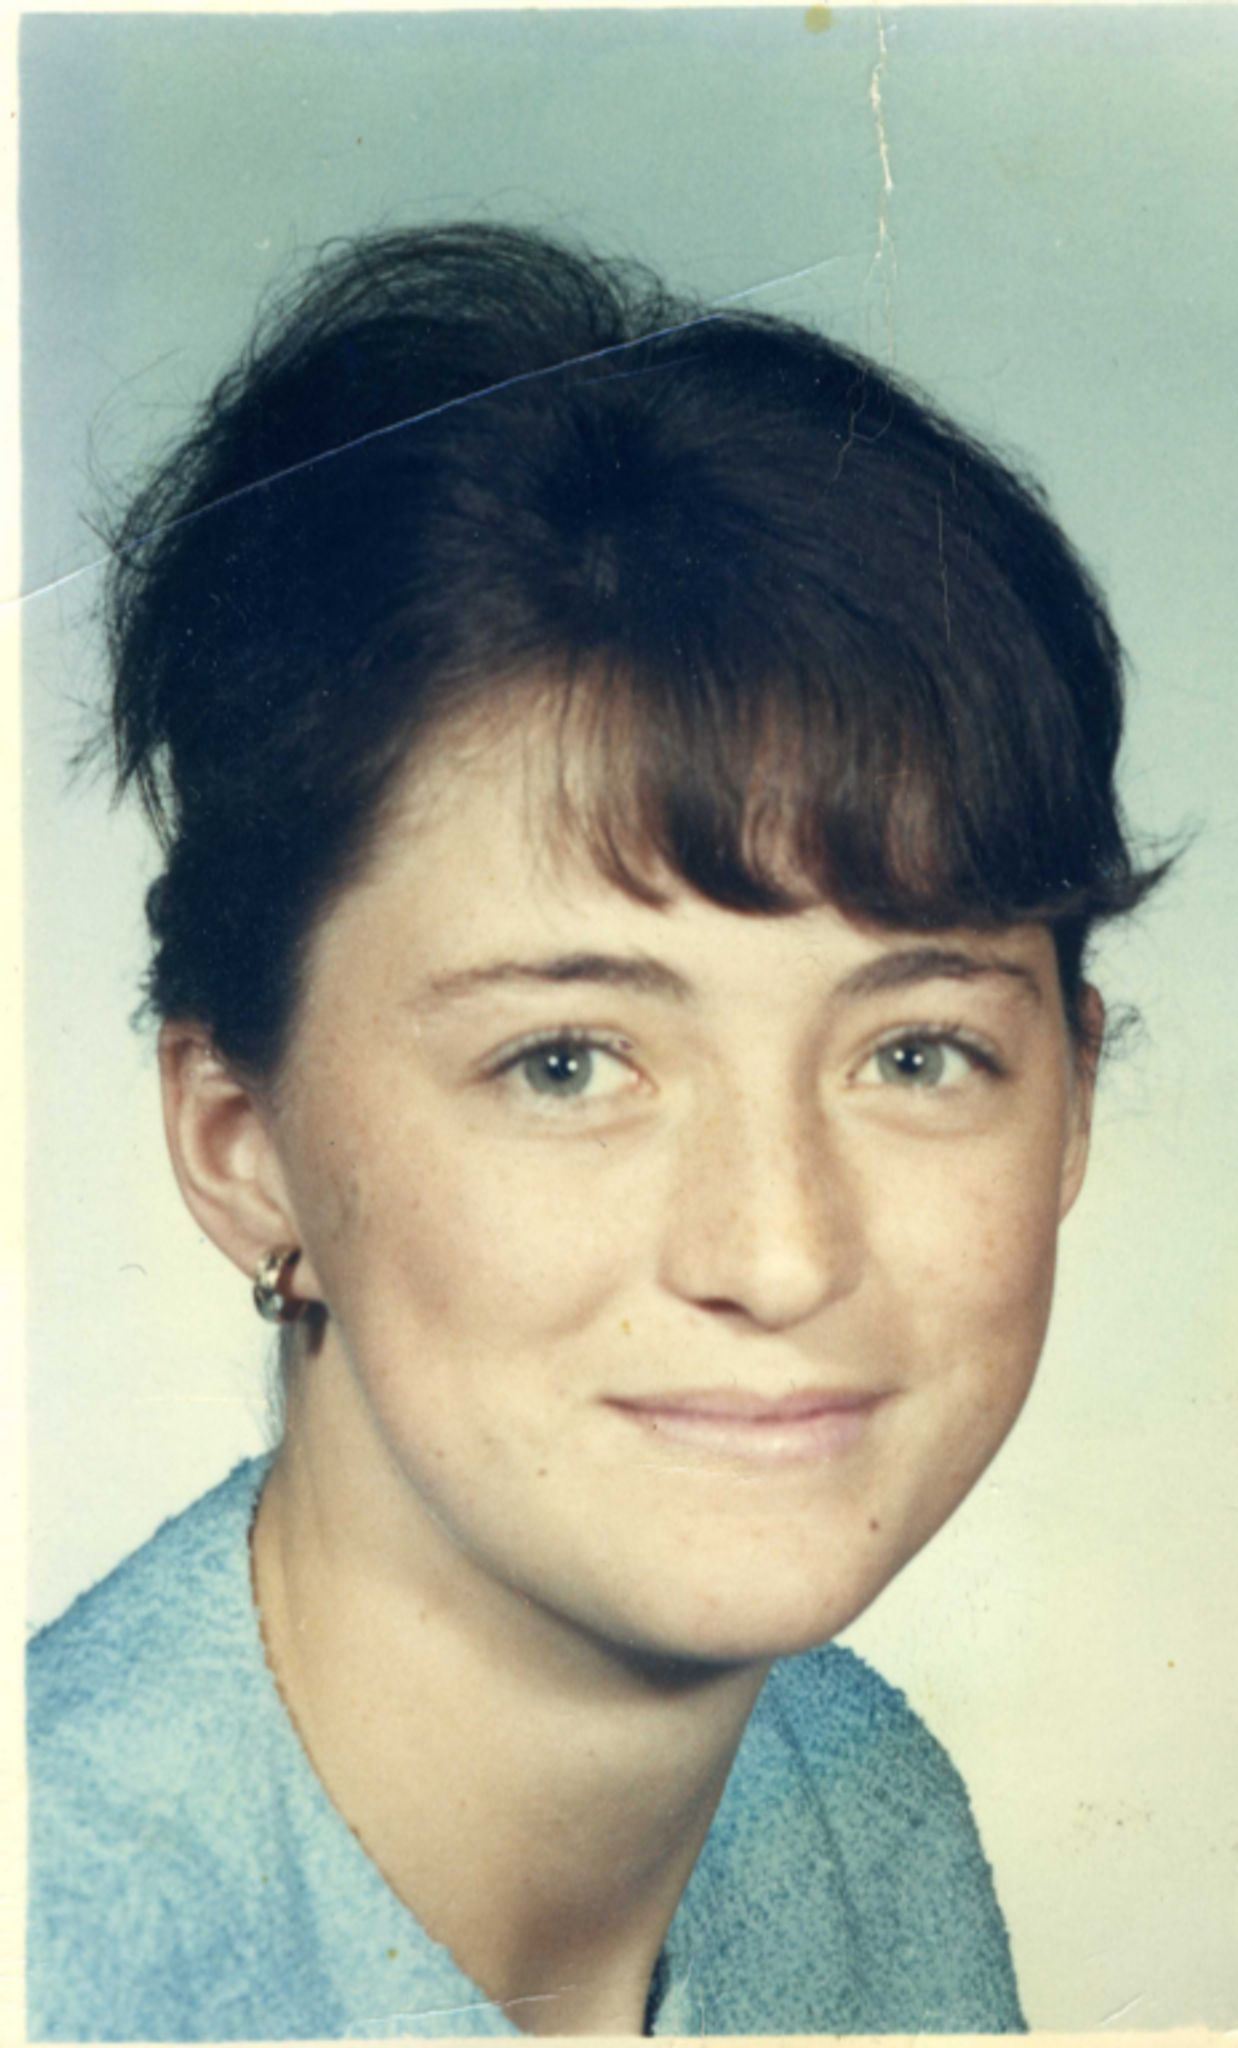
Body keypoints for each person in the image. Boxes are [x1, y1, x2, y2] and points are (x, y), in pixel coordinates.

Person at [26, 221, 1162, 2040]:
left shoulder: (863, 1822)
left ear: (1071, 1101)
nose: (777, 1253)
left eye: (916, 1054)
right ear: (242, 1146)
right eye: (564, 1063)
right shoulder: (62, 1944)